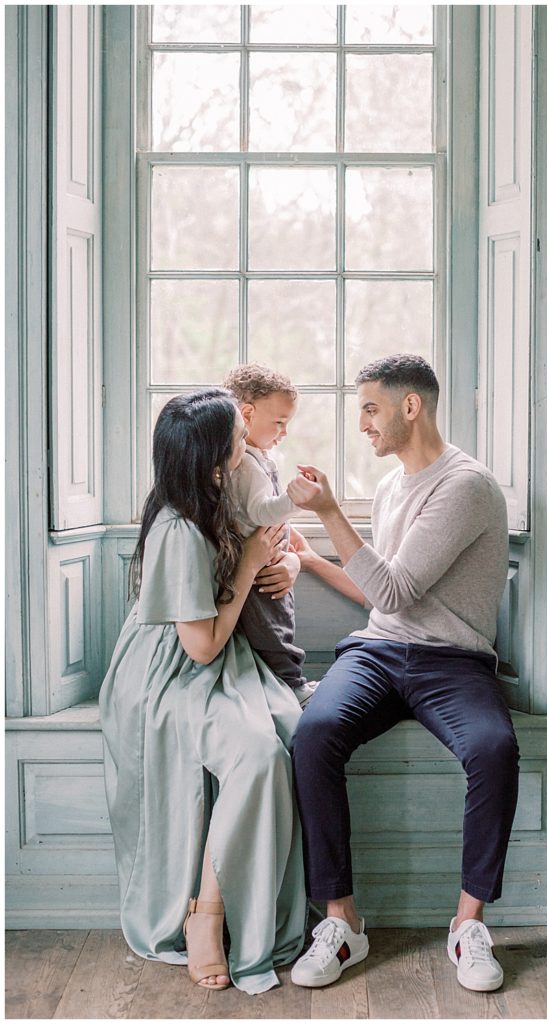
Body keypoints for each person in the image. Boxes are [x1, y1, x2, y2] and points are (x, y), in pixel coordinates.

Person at [285, 354, 519, 993]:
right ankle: (342, 924)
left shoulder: (465, 486)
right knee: (314, 734)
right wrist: (311, 560)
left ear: (409, 406)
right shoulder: (391, 488)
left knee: (495, 749)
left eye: (369, 407)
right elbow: (378, 598)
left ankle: (468, 924)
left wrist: (329, 512)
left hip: (453, 662)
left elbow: (393, 588)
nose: (361, 422)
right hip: (379, 653)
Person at [99, 388, 307, 995]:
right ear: (214, 459)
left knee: (294, 733)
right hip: (171, 671)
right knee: (258, 754)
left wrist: (284, 562)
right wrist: (245, 565)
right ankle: (205, 915)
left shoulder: (220, 491)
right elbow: (201, 646)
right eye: (237, 437)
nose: (248, 438)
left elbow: (280, 541)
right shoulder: (179, 529)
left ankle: (237, 908)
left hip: (222, 655)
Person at [223, 363, 317, 706]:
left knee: (278, 624)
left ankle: (286, 683)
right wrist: (294, 499)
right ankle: (291, 684)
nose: (284, 432)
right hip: (257, 568)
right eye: (279, 423)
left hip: (268, 562)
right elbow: (260, 511)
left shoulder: (258, 458)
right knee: (272, 630)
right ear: (247, 414)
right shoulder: (246, 464)